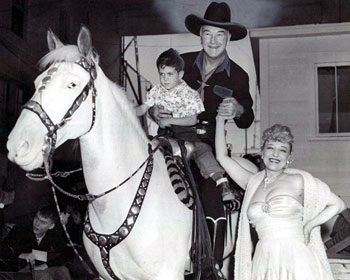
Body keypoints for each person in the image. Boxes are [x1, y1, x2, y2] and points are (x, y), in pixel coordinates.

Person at [150, 2, 255, 273]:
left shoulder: (239, 76)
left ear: (228, 38)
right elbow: (157, 98)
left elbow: (247, 118)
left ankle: (210, 267)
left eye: (220, 35)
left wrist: (238, 108)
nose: (213, 41)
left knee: (211, 198)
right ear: (200, 35)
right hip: (169, 139)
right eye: (208, 33)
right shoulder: (179, 63)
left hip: (205, 145)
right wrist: (154, 110)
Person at [215, 118, 346, 280]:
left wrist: (309, 226)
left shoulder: (298, 180)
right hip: (264, 259)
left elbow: (338, 204)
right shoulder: (252, 183)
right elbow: (221, 157)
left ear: (289, 158)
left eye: (282, 150)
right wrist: (220, 119)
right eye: (270, 148)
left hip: (296, 258)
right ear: (262, 153)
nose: (275, 154)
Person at [137, 48, 235, 202]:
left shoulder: (189, 94)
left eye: (170, 74)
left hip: (190, 134)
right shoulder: (157, 91)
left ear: (180, 75)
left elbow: (192, 120)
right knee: (152, 145)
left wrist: (169, 120)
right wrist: (125, 110)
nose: (165, 79)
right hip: (168, 135)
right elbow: (143, 108)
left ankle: (222, 183)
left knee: (204, 154)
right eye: (161, 75)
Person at [0, 205, 71, 280]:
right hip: (19, 268)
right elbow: (2, 249)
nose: (37, 224)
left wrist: (45, 265)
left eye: (43, 222)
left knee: (64, 271)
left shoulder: (53, 233)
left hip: (39, 264)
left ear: (51, 226)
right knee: (45, 277)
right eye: (36, 218)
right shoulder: (21, 228)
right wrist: (21, 254)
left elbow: (67, 254)